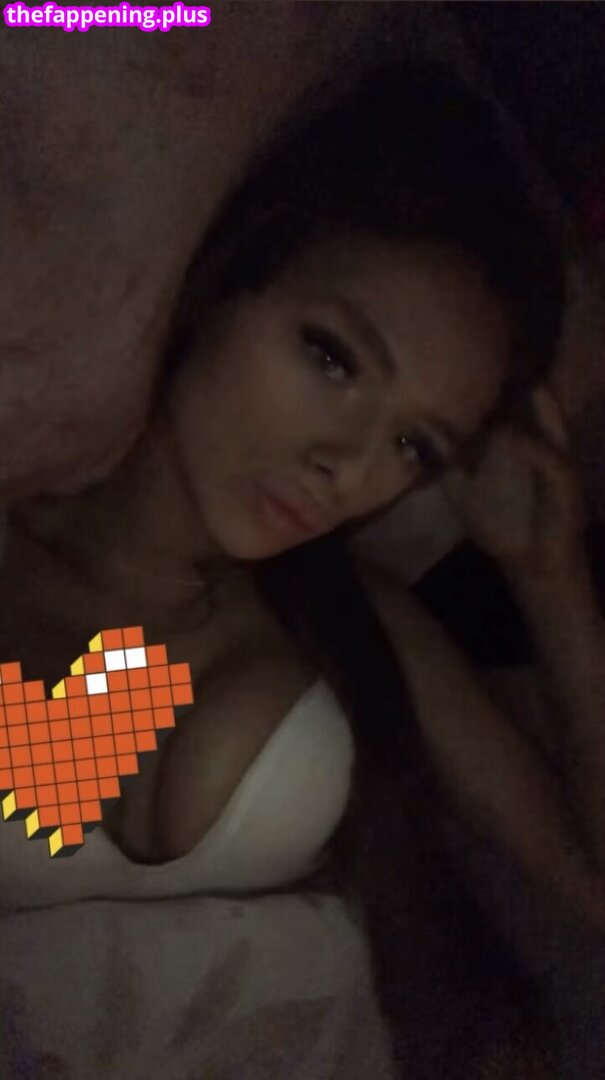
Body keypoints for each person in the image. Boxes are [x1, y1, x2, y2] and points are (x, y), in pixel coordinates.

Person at [1, 62, 599, 1079]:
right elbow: (66, 783)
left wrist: (550, 578)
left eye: (413, 447)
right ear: (226, 277)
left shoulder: (351, 618)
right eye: (332, 357)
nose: (349, 468)